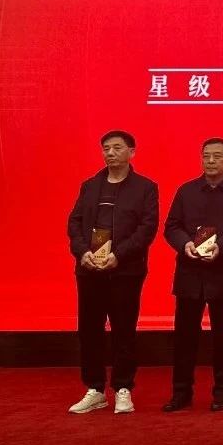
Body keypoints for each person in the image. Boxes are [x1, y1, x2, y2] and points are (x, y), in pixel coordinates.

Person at [161, 138, 223, 413]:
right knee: (184, 337)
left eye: (217, 156)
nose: (211, 161)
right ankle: (181, 393)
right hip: (190, 272)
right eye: (206, 156)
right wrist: (185, 244)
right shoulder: (187, 191)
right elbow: (171, 226)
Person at [65, 130, 159, 414]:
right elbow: (74, 223)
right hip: (90, 269)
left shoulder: (145, 187)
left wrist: (119, 255)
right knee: (89, 330)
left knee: (123, 330)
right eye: (106, 148)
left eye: (117, 148)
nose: (110, 153)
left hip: (125, 270)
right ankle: (94, 388)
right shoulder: (90, 185)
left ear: (132, 152)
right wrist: (83, 252)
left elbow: (147, 228)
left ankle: (123, 388)